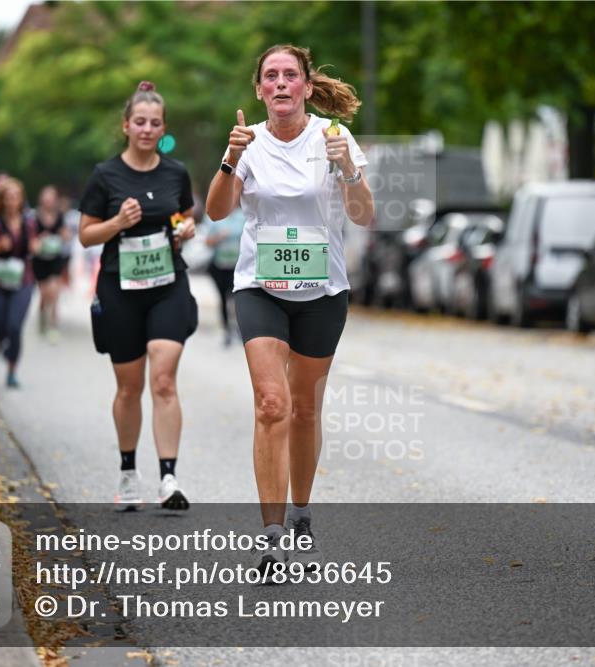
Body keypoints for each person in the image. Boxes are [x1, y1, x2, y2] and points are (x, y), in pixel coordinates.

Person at [205, 45, 374, 573]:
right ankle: (272, 535)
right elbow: (216, 211)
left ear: (306, 86)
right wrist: (230, 158)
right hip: (260, 288)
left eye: (290, 75)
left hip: (323, 292)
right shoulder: (247, 142)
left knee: (304, 410)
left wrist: (348, 169)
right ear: (259, 90)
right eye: (271, 76)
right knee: (271, 404)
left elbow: (364, 215)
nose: (281, 83)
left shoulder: (333, 137)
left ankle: (301, 515)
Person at [78, 81, 198, 512]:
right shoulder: (105, 175)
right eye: (140, 122)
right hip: (120, 289)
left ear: (163, 128)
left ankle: (169, 478)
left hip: (168, 285)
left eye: (155, 123)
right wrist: (117, 223)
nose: (147, 130)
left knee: (163, 380)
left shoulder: (175, 172)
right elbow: (85, 235)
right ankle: (128, 473)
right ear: (126, 125)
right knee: (129, 388)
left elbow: (183, 216)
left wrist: (186, 229)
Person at [0, 177, 38, 388]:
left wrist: (36, 247)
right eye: (8, 197)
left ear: (21, 200)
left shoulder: (29, 224)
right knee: (0, 325)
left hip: (23, 281)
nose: (12, 201)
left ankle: (12, 372)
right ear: (2, 201)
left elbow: (34, 245)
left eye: (16, 197)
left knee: (14, 326)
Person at [32, 185, 69, 342]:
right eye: (46, 198)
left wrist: (63, 235)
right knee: (44, 294)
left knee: (54, 292)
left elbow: (66, 235)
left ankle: (53, 325)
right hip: (40, 260)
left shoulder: (60, 216)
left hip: (55, 258)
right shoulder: (34, 217)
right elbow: (30, 239)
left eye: (51, 198)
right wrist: (40, 239)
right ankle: (42, 317)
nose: (48, 201)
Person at [204, 208, 245, 347]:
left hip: (237, 267)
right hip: (219, 266)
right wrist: (218, 237)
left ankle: (240, 330)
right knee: (223, 299)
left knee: (237, 299)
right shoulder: (213, 216)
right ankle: (227, 330)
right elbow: (207, 242)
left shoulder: (243, 215)